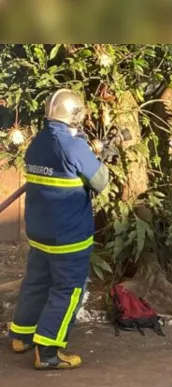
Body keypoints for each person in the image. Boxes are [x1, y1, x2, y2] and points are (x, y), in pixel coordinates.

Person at [8, 89, 109, 369]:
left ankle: (21, 336)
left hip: (40, 232)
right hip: (68, 236)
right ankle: (49, 351)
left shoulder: (38, 142)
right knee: (69, 290)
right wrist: (100, 159)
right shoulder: (73, 145)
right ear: (75, 114)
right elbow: (100, 182)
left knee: (36, 282)